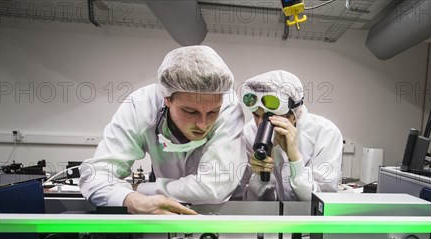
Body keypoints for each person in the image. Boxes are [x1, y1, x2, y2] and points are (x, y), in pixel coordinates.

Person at [79, 46, 246, 214]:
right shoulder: (141, 106)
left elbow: (213, 188)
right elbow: (95, 175)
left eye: (212, 112)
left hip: (223, 214)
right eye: (190, 111)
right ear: (166, 98)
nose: (203, 125)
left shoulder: (228, 107)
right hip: (160, 218)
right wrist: (131, 200)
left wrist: (141, 189)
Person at [234, 70, 343, 201]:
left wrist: (295, 159)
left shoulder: (326, 133)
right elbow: (248, 204)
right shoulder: (249, 133)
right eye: (256, 115)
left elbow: (323, 202)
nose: (260, 124)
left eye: (270, 117)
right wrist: (261, 177)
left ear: (293, 115)